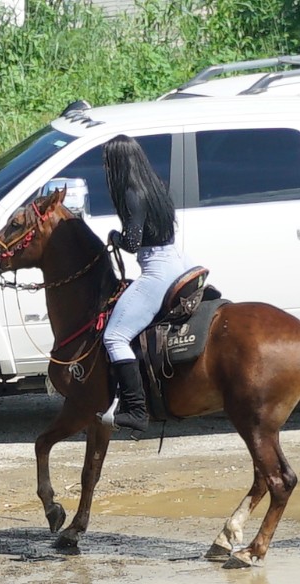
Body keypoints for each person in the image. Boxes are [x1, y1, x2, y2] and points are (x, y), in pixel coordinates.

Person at [98, 134, 192, 433]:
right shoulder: (156, 185)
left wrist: (115, 237)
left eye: (108, 163)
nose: (106, 169)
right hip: (178, 260)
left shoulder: (132, 193)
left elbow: (133, 243)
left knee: (114, 337)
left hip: (157, 270)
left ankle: (137, 410)